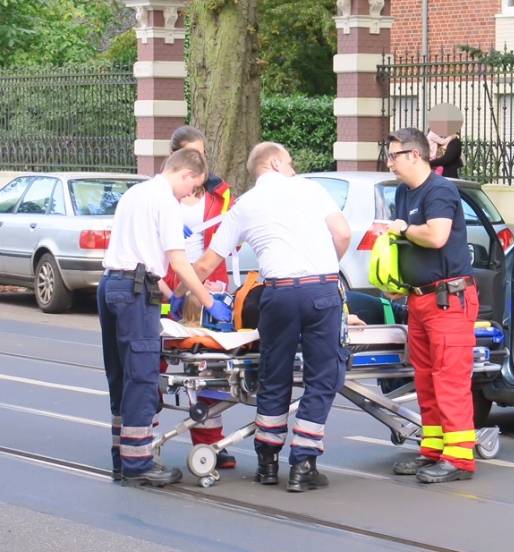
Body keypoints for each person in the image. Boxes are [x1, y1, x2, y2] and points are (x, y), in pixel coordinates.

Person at [194, 142, 352, 492]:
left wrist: (179, 293)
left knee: (274, 373)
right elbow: (342, 233)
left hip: (276, 294)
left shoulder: (244, 205)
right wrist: (327, 266)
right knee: (323, 376)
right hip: (320, 291)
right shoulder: (310, 189)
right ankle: (304, 463)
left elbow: (208, 262)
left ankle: (267, 461)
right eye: (291, 161)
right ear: (277, 162)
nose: (293, 167)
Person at [100, 147, 232, 486]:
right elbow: (179, 263)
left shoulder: (134, 194)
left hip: (112, 285)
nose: (191, 194)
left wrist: (171, 296)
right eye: (193, 186)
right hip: (134, 293)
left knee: (121, 374)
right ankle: (139, 463)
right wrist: (207, 301)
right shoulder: (167, 202)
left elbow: (135, 253)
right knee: (142, 376)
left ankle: (122, 457)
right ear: (186, 174)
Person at [384, 127, 481, 483]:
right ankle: (434, 449)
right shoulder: (403, 192)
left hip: (448, 300)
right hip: (421, 298)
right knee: (426, 379)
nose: (390, 162)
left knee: (449, 378)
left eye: (394, 155)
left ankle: (458, 459)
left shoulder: (440, 190)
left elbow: (436, 235)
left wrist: (402, 229)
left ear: (415, 155)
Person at [161, 125, 239, 469]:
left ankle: (211, 443)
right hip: (171, 286)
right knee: (154, 365)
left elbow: (233, 241)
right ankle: (138, 438)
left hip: (210, 285)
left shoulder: (219, 195)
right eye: (194, 152)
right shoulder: (162, 194)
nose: (201, 159)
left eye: (204, 152)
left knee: (211, 368)